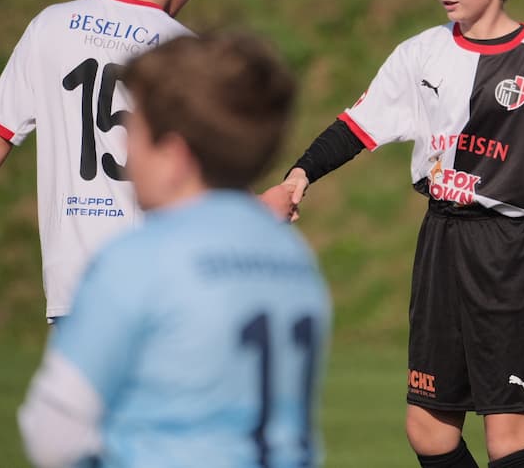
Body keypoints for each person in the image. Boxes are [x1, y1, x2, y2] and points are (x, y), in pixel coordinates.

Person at [261, 0, 524, 468]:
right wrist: (299, 175)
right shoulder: (420, 53)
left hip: (510, 253)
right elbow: (355, 127)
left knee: (507, 435)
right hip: (441, 243)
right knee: (428, 430)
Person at [18, 34, 332, 468]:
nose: (125, 156)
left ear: (174, 156)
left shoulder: (141, 258)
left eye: (134, 133)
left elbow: (52, 431)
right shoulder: (294, 259)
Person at [0, 0, 209, 322]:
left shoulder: (49, 26)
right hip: (152, 283)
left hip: (72, 284)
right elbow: (201, 172)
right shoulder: (184, 51)